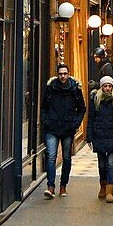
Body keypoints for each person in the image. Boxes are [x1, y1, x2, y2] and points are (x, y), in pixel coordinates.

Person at [40, 64, 85, 199]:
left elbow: (82, 108)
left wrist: (75, 124)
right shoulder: (51, 88)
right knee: (51, 156)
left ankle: (63, 185)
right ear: (57, 74)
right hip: (52, 127)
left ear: (68, 74)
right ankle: (50, 186)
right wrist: (45, 120)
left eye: (65, 73)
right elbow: (43, 107)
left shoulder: (75, 88)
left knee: (66, 158)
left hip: (67, 128)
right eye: (60, 74)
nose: (63, 76)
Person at [87, 75, 113, 204]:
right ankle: (103, 187)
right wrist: (89, 137)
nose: (108, 88)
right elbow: (91, 119)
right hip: (99, 135)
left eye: (110, 86)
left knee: (110, 164)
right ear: (101, 87)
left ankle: (110, 191)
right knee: (102, 165)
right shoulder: (95, 99)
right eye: (105, 86)